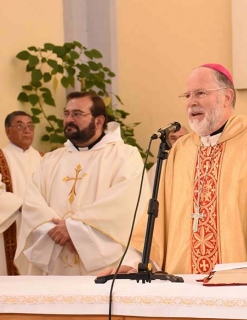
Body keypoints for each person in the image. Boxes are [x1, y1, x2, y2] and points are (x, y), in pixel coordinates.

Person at [107, 63, 247, 275]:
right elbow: (156, 221)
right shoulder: (180, 150)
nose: (191, 103)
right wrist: (136, 262)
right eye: (187, 95)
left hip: (239, 284)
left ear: (227, 97)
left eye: (200, 93)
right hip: (184, 283)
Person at [15, 92, 149, 275]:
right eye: (66, 114)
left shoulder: (125, 156)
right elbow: (33, 203)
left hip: (101, 267)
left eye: (77, 114)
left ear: (99, 121)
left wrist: (74, 231)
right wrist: (56, 230)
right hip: (55, 258)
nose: (69, 119)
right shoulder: (50, 160)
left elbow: (124, 205)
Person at [0, 111, 42, 275]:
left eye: (30, 126)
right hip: (10, 224)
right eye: (20, 126)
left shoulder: (44, 159)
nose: (27, 130)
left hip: (38, 226)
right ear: (7, 130)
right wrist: (24, 206)